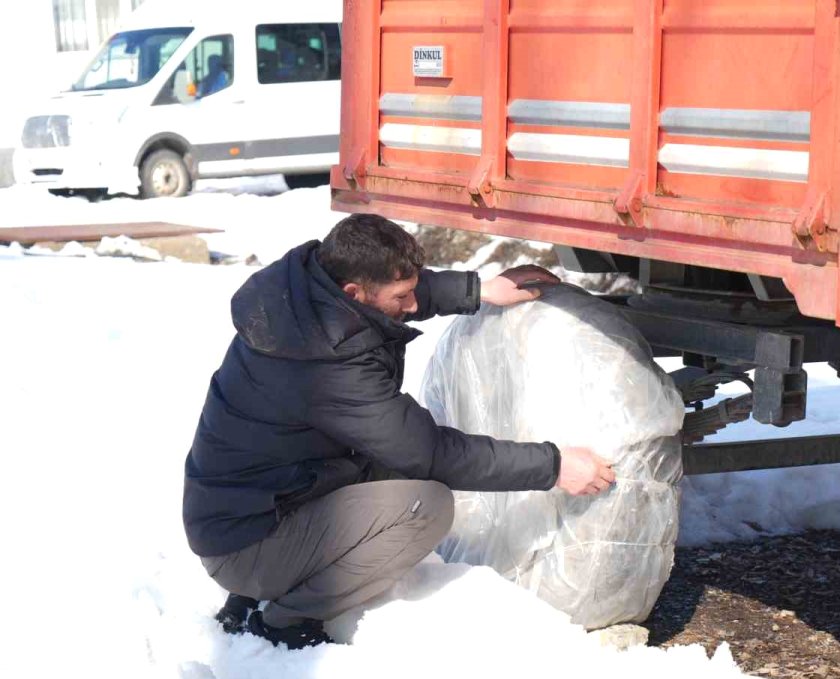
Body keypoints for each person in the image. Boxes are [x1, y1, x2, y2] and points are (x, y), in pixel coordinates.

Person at [183, 213, 615, 649]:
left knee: (396, 466)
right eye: (403, 296)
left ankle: (268, 585)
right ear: (355, 293)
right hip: (246, 542)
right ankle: (284, 618)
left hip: (260, 504)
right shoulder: (330, 367)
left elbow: (393, 290)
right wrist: (554, 465)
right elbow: (428, 453)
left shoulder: (305, 298)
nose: (413, 305)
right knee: (424, 505)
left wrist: (477, 290)